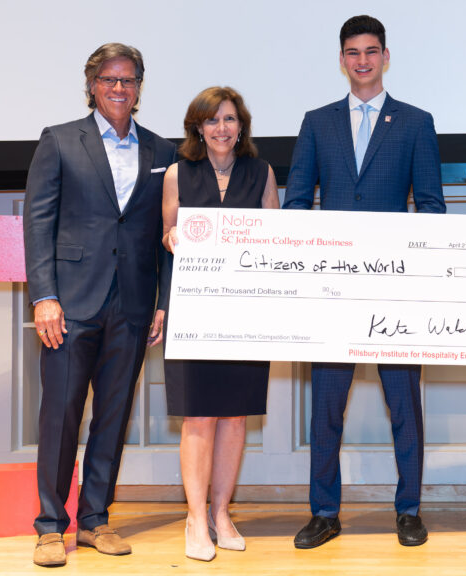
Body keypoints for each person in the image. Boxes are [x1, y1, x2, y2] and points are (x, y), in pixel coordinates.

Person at [282, 14, 445, 549]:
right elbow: (298, 202)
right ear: (342, 59)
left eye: (371, 51)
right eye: (353, 52)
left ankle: (409, 510)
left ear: (385, 55)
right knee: (326, 406)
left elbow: (432, 207)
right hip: (331, 293)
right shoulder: (317, 121)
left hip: (394, 291)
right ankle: (325, 512)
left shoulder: (417, 122)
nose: (363, 61)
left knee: (405, 407)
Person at [23, 43, 176, 567]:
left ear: (139, 87)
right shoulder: (61, 140)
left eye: (128, 80)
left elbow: (166, 235)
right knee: (60, 416)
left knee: (113, 416)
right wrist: (44, 297)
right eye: (109, 80)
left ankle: (94, 520)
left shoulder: (162, 151)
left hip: (132, 306)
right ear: (92, 84)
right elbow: (37, 223)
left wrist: (163, 300)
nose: (119, 89)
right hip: (69, 304)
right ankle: (49, 525)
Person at [161, 87, 279, 561]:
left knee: (235, 416)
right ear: (198, 127)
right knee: (199, 415)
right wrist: (173, 237)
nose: (222, 129)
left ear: (241, 126)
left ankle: (221, 511)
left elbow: (277, 237)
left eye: (230, 120)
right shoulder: (177, 173)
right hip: (194, 311)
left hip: (247, 312)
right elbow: (165, 237)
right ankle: (195, 519)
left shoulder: (262, 171)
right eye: (212, 121)